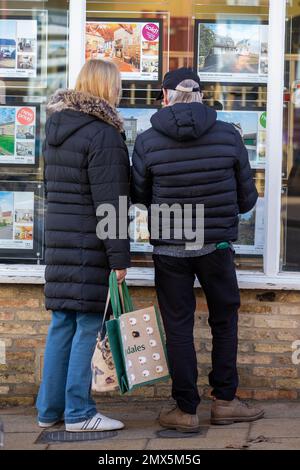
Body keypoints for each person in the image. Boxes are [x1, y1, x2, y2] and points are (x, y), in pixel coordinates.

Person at [131, 67, 264, 432]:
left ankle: (186, 410)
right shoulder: (228, 134)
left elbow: (140, 196)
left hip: (170, 248)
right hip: (216, 245)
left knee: (177, 327)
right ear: (201, 95)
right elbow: (247, 198)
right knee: (224, 321)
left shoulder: (147, 140)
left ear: (166, 96)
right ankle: (225, 402)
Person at [37, 59, 130, 432]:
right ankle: (79, 413)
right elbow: (111, 204)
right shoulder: (102, 134)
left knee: (62, 323)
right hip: (88, 244)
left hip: (60, 240)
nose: (121, 92)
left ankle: (48, 410)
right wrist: (119, 258)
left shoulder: (57, 128)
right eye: (119, 85)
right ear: (107, 88)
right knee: (88, 325)